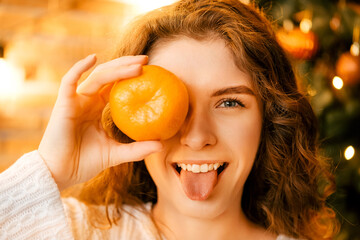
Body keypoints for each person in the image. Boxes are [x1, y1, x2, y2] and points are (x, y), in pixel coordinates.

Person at [0, 0, 339, 239]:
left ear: (269, 120)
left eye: (230, 102)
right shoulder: (74, 230)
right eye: (177, 106)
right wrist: (51, 168)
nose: (196, 137)